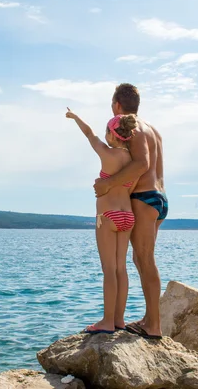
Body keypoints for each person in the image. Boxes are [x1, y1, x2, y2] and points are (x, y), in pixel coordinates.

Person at [94, 83, 167, 340]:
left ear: (116, 105)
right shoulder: (152, 128)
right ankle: (150, 320)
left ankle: (154, 326)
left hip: (144, 198)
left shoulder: (131, 127)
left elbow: (142, 164)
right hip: (159, 199)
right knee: (140, 259)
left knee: (145, 260)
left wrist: (108, 184)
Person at [66, 107, 138, 334]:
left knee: (109, 270)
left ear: (111, 134)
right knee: (121, 269)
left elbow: (89, 135)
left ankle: (107, 322)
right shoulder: (134, 161)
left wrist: (76, 117)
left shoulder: (107, 154)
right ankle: (119, 320)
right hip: (127, 216)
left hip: (107, 217)